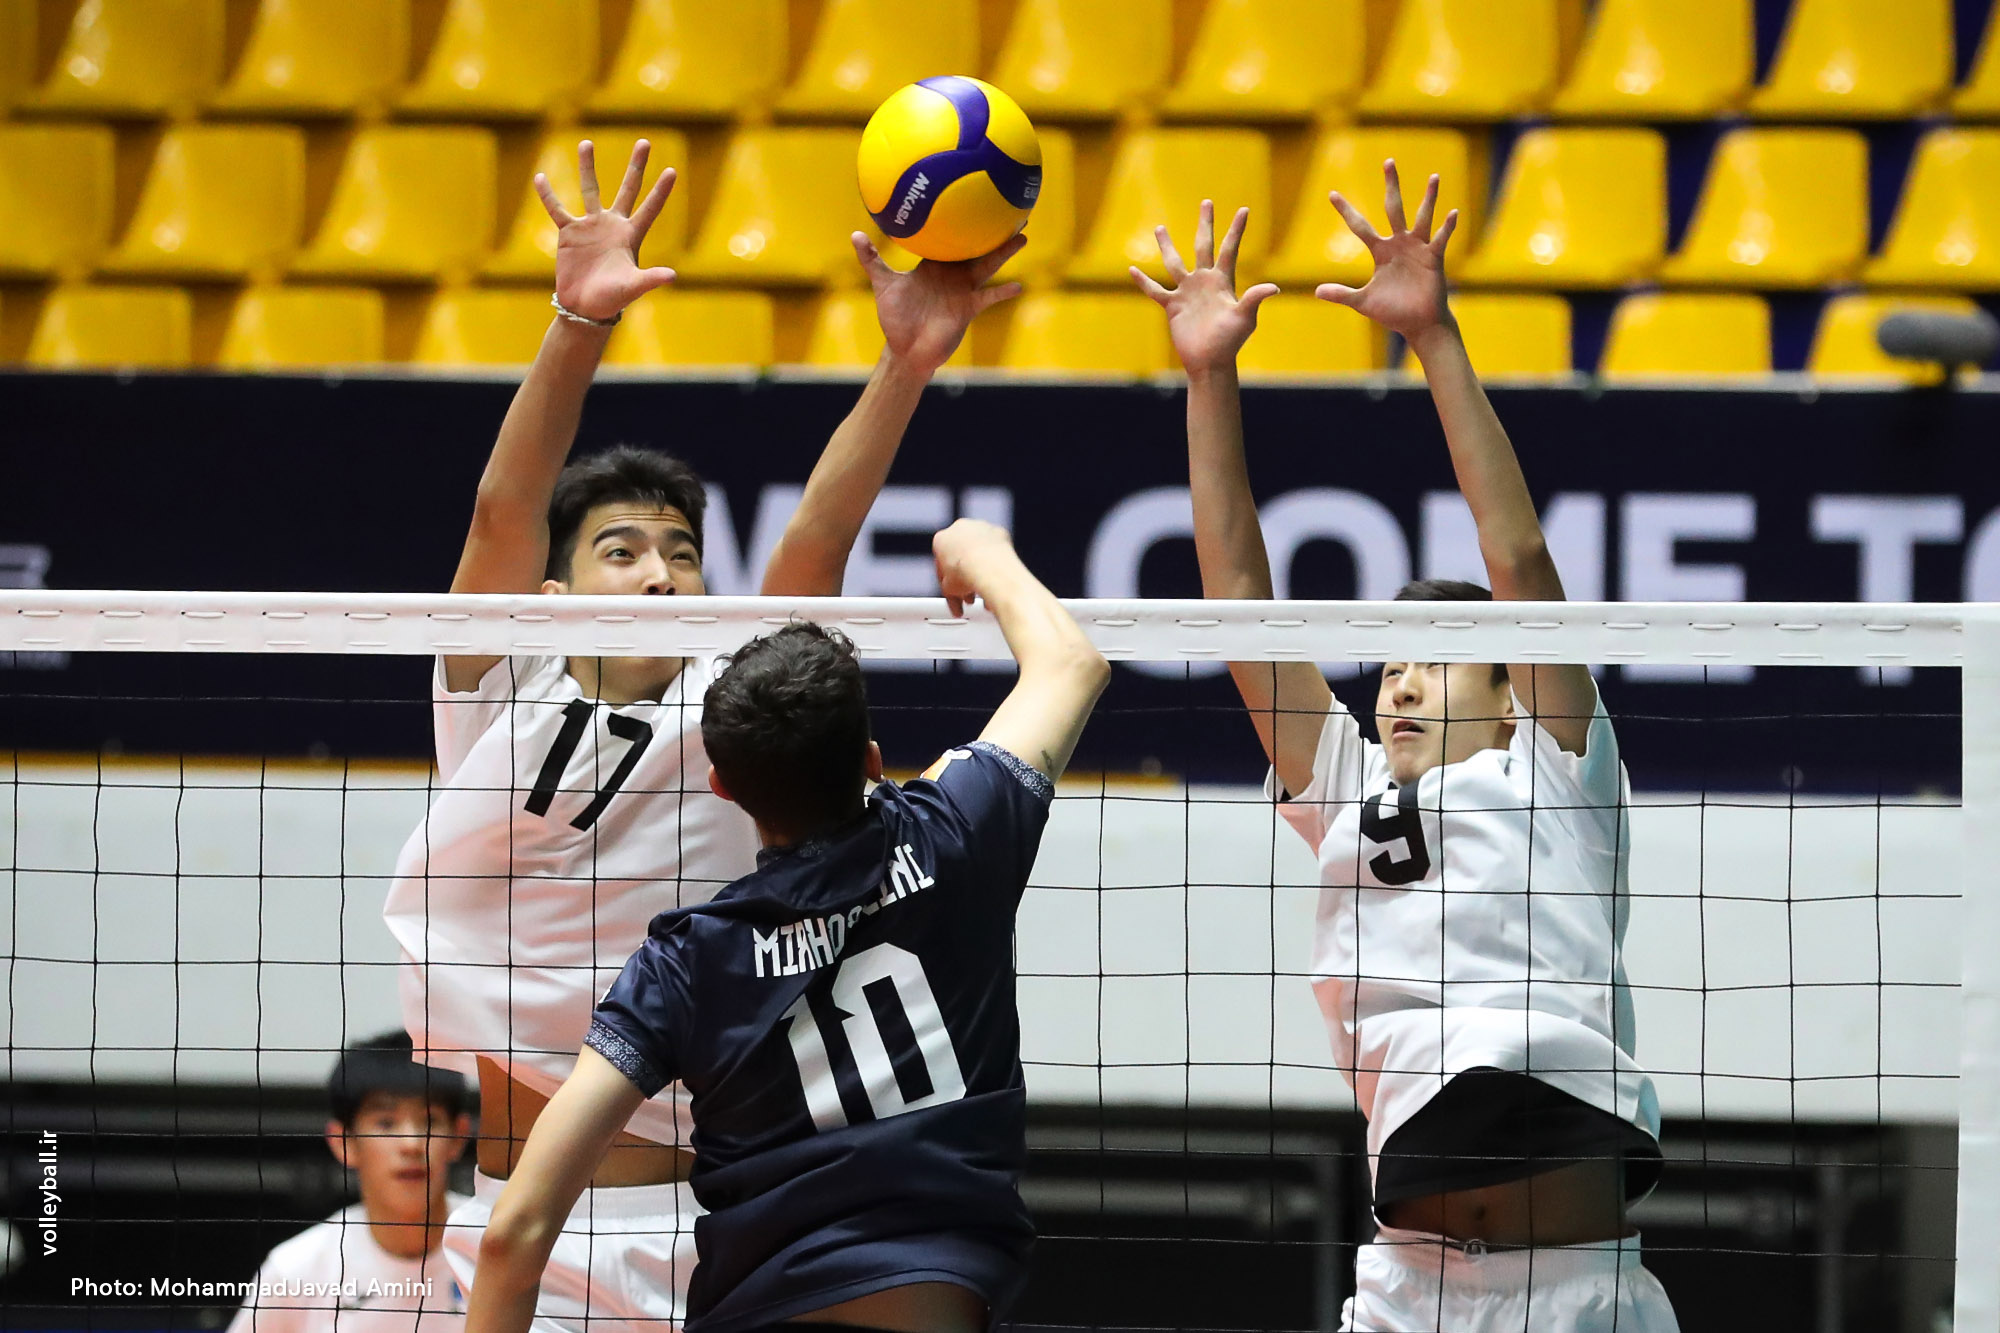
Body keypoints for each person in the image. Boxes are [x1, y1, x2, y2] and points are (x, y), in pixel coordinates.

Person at [380, 138, 1027, 1332]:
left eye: (681, 552)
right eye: (621, 550)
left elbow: (813, 549)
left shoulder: (734, 706)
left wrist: (905, 362)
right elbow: (502, 509)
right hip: (519, 1222)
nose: (660, 572)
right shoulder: (496, 685)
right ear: (552, 596)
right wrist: (577, 319)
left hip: (696, 1222)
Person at [1132, 171, 1678, 1331]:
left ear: (1509, 698)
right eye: (1387, 667)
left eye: (1438, 659)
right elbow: (1236, 603)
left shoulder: (1553, 772)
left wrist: (1432, 340)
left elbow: (1516, 559)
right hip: (1404, 1285)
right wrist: (1207, 376)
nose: (1402, 684)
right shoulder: (1347, 789)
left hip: (1571, 1288)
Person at [461, 518, 1109, 1333]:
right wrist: (982, 550)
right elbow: (1071, 663)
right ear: (871, 757)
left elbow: (512, 1235)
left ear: (722, 785)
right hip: (936, 1298)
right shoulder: (955, 833)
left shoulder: (683, 963)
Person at [229, 1032, 473, 1333]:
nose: (411, 1144)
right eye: (386, 1123)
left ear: (458, 1136)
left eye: (430, 1121)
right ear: (343, 1142)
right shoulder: (295, 1272)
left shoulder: (498, 1248)